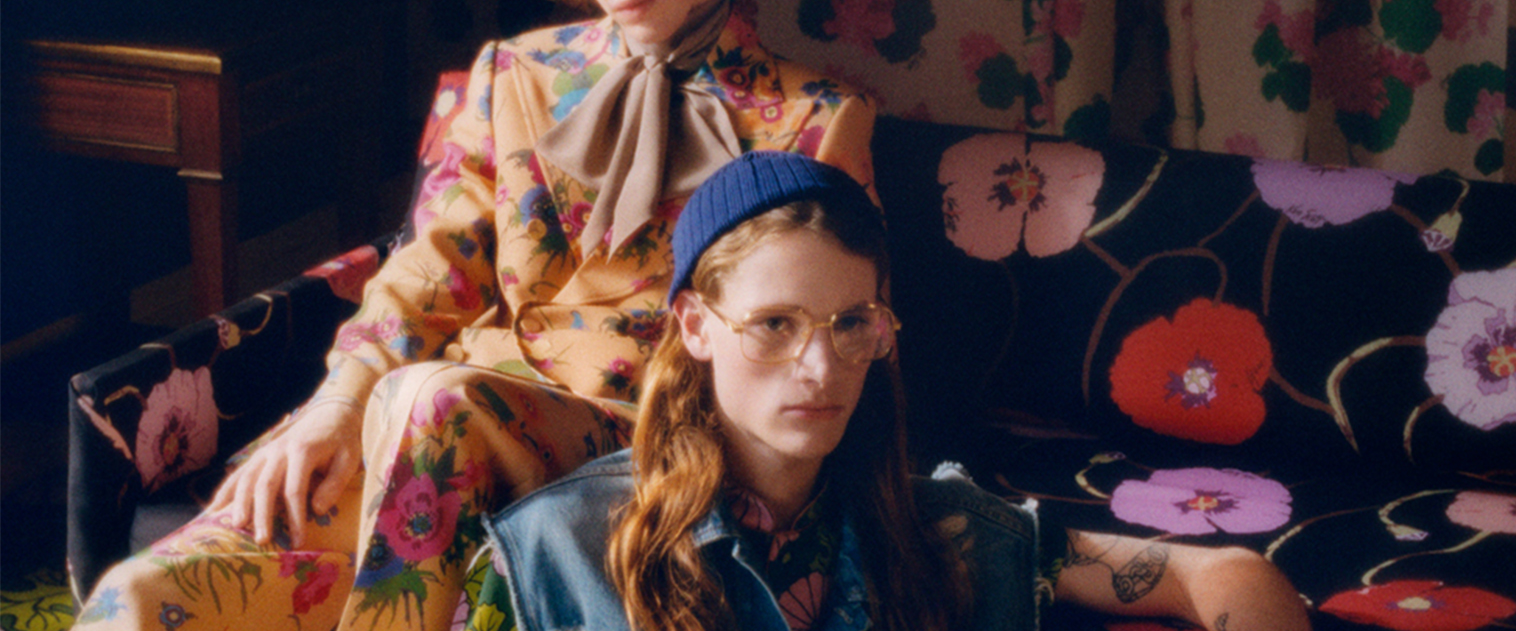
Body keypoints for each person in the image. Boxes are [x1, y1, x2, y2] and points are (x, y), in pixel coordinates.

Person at [73, 0, 876, 629]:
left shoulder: (816, 120)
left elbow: (831, 345)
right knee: (139, 599)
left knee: (433, 399)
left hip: (643, 444)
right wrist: (338, 407)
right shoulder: (512, 74)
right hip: (440, 435)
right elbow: (427, 273)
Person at [480, 151, 1312, 631]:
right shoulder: (559, 546)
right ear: (697, 327)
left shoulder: (938, 533)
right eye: (774, 324)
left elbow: (1225, 575)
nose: (821, 367)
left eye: (851, 323)